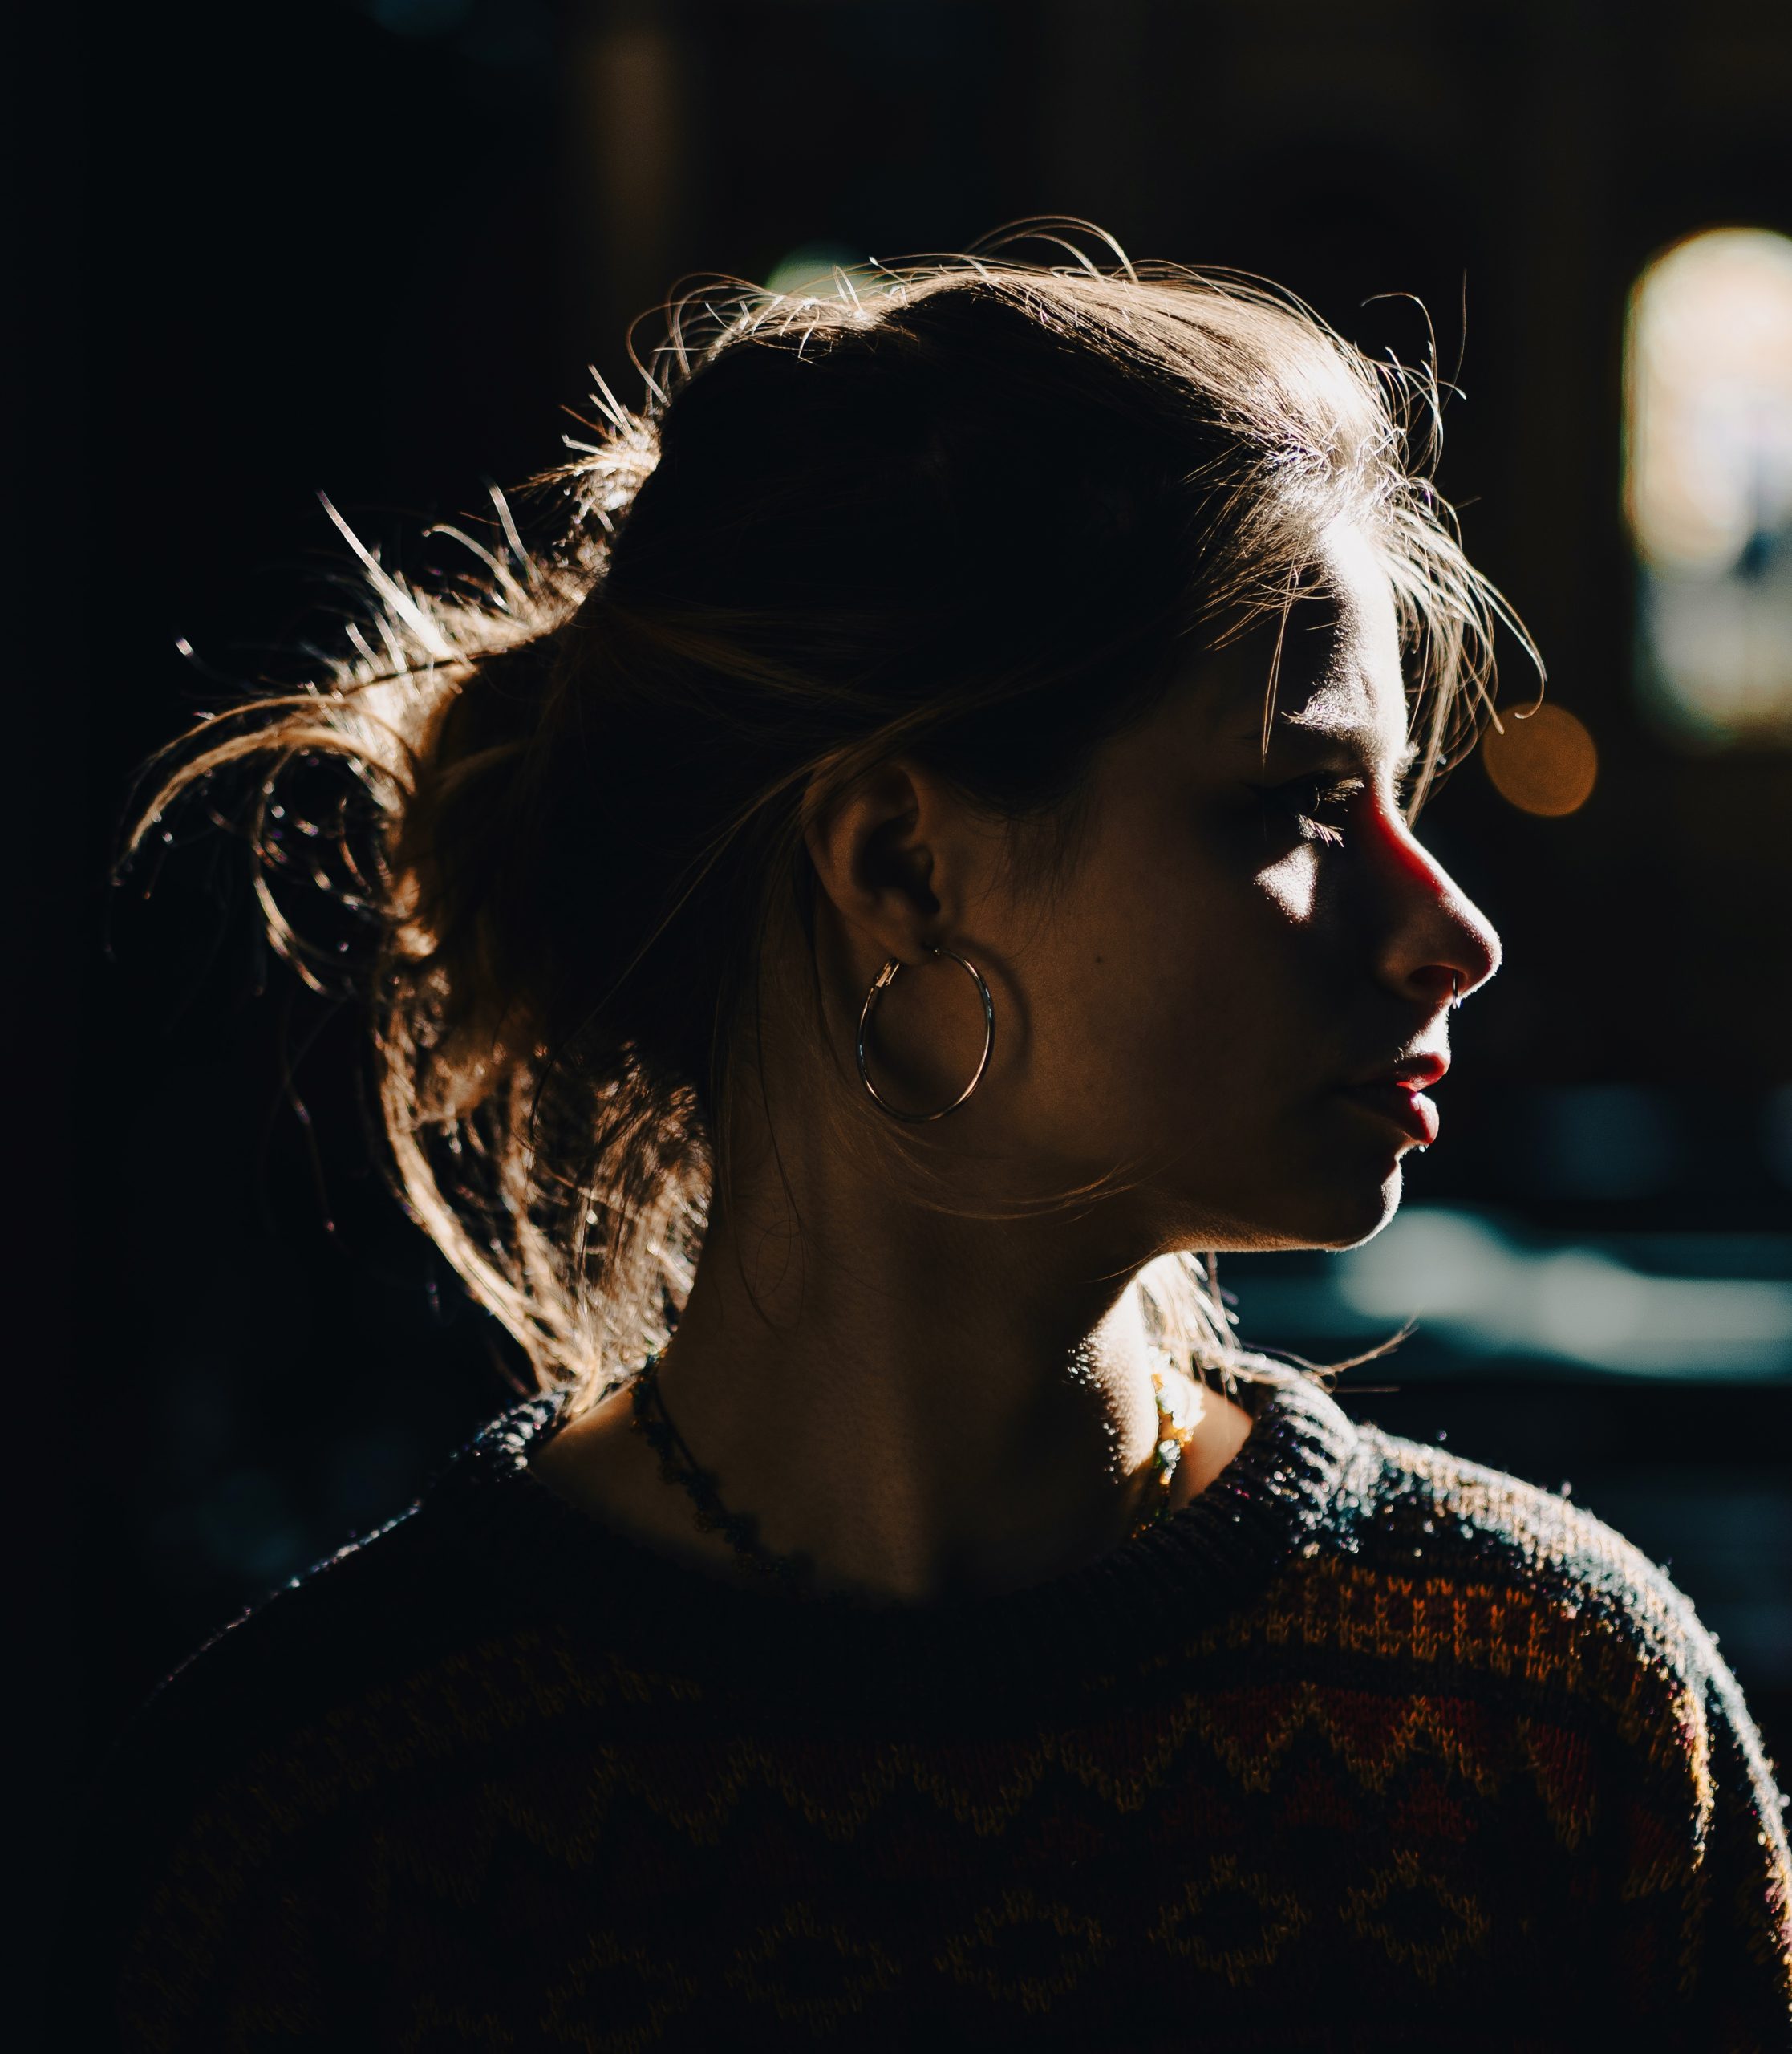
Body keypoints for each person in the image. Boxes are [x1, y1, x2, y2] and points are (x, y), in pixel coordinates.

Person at [72, 233, 1790, 2048]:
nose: (1455, 928)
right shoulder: (338, 1833)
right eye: (1296, 803)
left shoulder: (1552, 1719)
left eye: (1399, 800)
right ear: (904, 865)